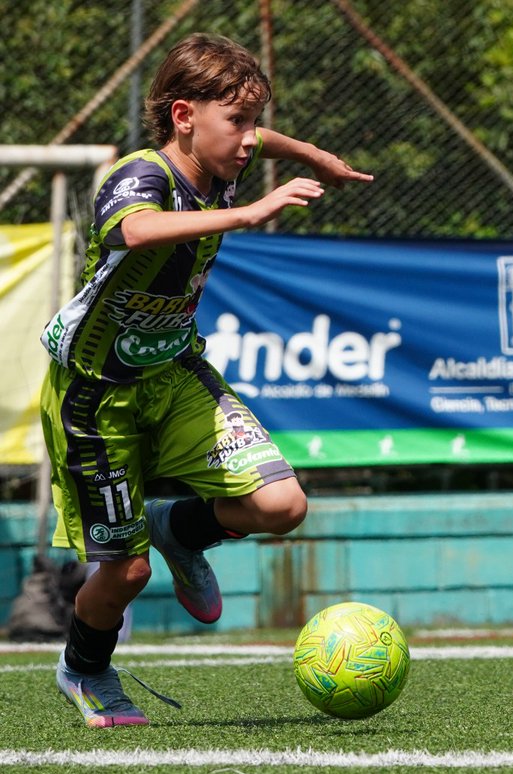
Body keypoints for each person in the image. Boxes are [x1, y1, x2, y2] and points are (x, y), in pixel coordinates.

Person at [40, 32, 373, 727]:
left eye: (255, 122)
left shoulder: (222, 155)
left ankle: (180, 527)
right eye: (237, 122)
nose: (250, 140)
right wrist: (249, 214)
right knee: (128, 572)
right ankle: (86, 669)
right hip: (95, 396)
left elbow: (259, 136)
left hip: (176, 371)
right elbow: (133, 230)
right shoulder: (142, 175)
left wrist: (311, 154)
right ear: (184, 116)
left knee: (282, 505)